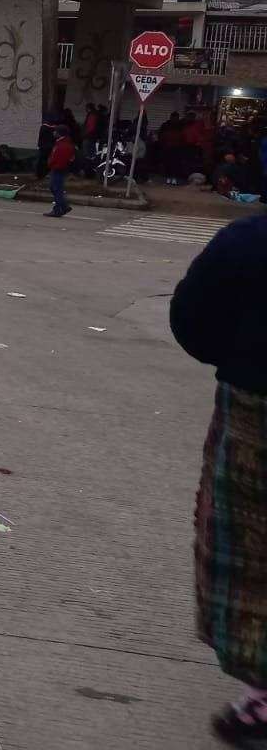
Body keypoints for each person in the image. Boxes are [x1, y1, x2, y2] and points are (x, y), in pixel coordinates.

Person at [166, 214, 267, 742]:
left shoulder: (248, 241)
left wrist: (245, 353)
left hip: (257, 409)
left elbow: (193, 321)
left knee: (252, 554)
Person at [44, 123, 75, 217]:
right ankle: (63, 206)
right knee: (55, 187)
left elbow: (59, 158)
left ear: (59, 133)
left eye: (55, 131)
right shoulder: (62, 143)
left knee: (56, 188)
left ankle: (59, 208)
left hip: (58, 169)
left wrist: (52, 164)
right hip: (58, 168)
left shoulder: (63, 145)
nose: (53, 133)